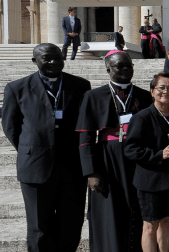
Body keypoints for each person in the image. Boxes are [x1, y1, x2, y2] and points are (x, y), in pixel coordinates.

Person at [2, 43, 90, 252]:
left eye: (57, 57)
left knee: (71, 223)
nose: (53, 62)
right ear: (35, 61)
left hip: (72, 167)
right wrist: (32, 149)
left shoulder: (80, 85)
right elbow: (11, 127)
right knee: (39, 226)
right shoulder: (17, 88)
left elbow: (86, 123)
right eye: (46, 58)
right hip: (35, 167)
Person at [76, 50, 152, 251]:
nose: (126, 70)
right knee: (109, 211)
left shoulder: (144, 96)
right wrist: (91, 172)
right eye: (120, 66)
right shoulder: (93, 96)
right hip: (107, 159)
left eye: (129, 66)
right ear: (108, 68)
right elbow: (85, 138)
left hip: (136, 159)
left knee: (135, 208)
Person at [124, 73, 169, 252]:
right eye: (161, 88)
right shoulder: (142, 117)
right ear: (152, 91)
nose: (166, 91)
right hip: (150, 181)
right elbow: (130, 149)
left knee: (167, 221)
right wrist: (159, 155)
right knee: (150, 225)